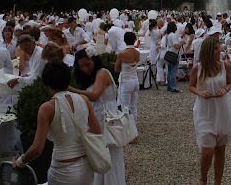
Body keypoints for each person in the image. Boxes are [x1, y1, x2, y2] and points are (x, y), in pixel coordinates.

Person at [13, 62, 101, 184]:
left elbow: (37, 148)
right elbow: (97, 130)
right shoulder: (83, 100)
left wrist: (20, 162)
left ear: (47, 82)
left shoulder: (47, 108)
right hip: (86, 164)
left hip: (63, 167)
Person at [70, 46, 125, 184]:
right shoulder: (89, 76)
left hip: (107, 117)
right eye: (81, 66)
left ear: (94, 60)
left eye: (87, 65)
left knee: (109, 155)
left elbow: (95, 95)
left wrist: (71, 90)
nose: (85, 69)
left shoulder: (102, 73)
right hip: (96, 116)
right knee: (98, 155)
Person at [189, 36, 231, 185]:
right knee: (207, 151)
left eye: (219, 48)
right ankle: (203, 177)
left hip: (223, 109)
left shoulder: (225, 66)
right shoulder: (198, 68)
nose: (219, 51)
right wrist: (199, 92)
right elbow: (191, 86)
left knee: (221, 150)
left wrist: (225, 89)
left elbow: (230, 83)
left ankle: (217, 182)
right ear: (208, 51)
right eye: (215, 49)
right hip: (205, 110)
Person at [115, 31, 140, 126]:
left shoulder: (122, 54)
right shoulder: (137, 52)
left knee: (125, 106)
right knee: (133, 106)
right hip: (135, 79)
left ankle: (129, 129)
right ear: (134, 41)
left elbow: (116, 69)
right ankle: (134, 126)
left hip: (126, 81)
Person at [163, 21, 185, 93]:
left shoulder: (167, 35)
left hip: (169, 52)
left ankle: (169, 86)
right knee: (173, 71)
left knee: (169, 71)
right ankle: (173, 87)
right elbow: (176, 46)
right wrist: (181, 43)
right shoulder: (173, 36)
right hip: (174, 54)